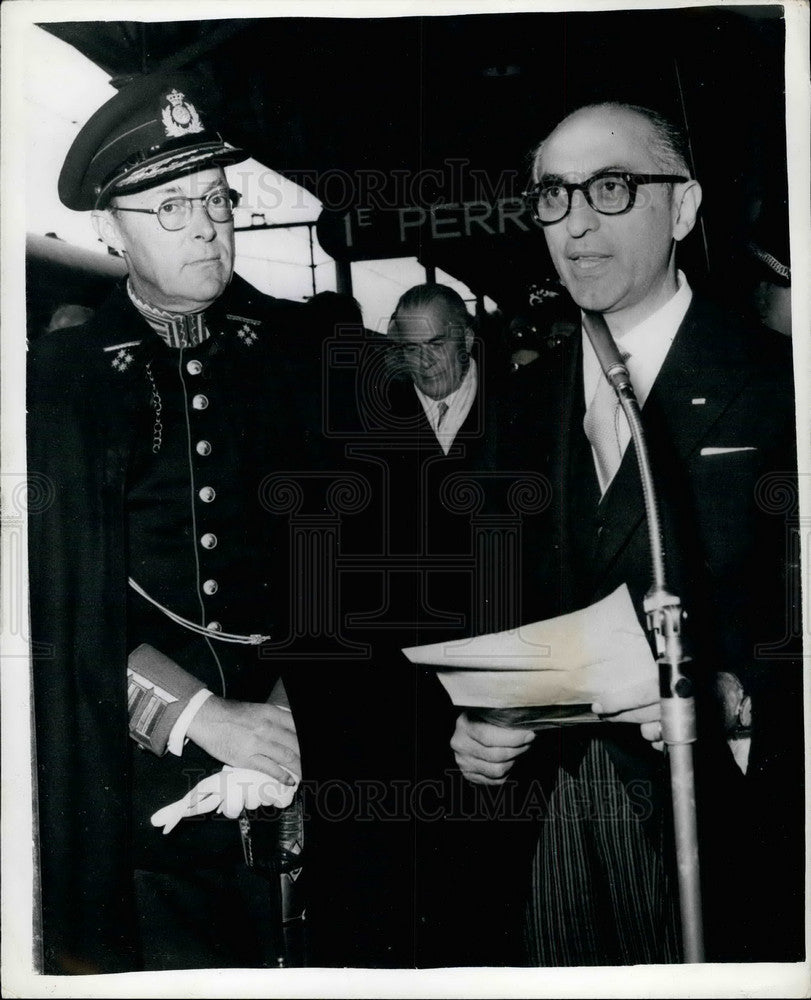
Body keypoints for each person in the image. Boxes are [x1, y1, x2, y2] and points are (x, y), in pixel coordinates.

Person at [450, 102, 802, 964]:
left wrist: (737, 694)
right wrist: (472, 717)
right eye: (553, 197)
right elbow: (488, 604)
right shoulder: (515, 410)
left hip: (725, 816)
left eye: (610, 189)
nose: (575, 226)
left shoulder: (776, 386)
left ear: (682, 209)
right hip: (557, 816)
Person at [27, 72, 315, 973]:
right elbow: (47, 609)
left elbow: (370, 560)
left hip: (314, 748)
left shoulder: (308, 356)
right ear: (108, 227)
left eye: (215, 199)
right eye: (171, 206)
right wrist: (197, 717)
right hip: (146, 785)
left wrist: (303, 702)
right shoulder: (62, 385)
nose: (205, 224)